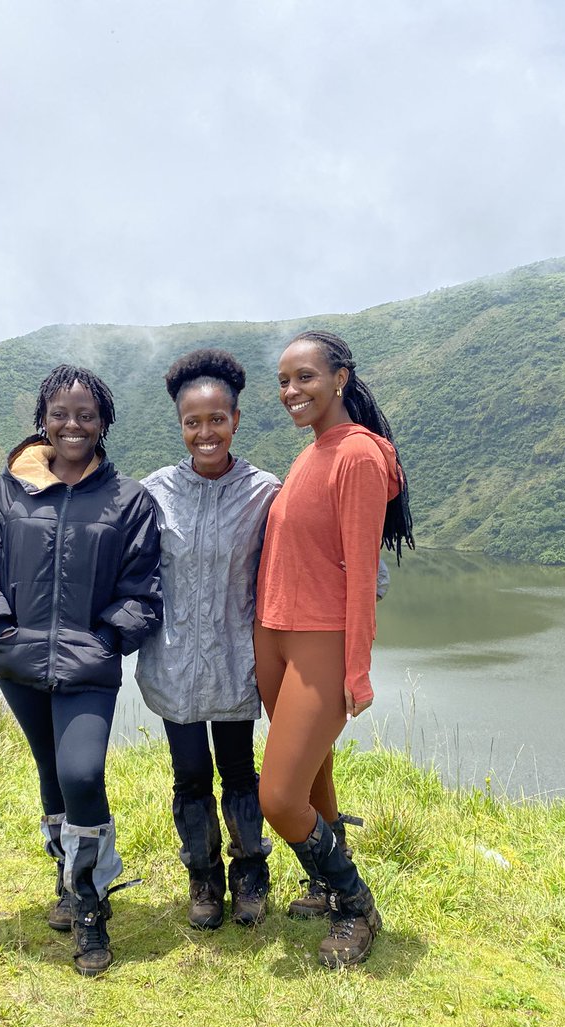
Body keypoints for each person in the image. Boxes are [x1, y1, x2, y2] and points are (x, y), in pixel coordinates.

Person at [0, 364, 162, 977]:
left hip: (87, 668)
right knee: (51, 774)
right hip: (18, 663)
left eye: (86, 415)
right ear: (43, 419)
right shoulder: (7, 492)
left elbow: (144, 586)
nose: (73, 424)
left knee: (81, 772)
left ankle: (92, 906)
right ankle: (68, 884)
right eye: (61, 413)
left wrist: (107, 638)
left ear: (104, 424)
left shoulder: (128, 501)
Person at [254, 330, 413, 969]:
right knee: (312, 774)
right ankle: (322, 882)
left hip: (320, 640)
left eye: (306, 378)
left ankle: (355, 902)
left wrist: (358, 670)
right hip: (275, 633)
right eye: (285, 382)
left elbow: (360, 575)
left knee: (279, 797)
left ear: (340, 378)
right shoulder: (312, 452)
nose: (293, 391)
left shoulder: (359, 457)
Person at [136, 350, 280, 929]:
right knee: (190, 775)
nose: (205, 432)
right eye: (193, 422)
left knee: (241, 771)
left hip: (235, 662)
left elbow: (305, 557)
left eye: (216, 419)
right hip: (173, 666)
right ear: (180, 425)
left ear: (236, 420)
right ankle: (203, 875)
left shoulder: (265, 492)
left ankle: (250, 872)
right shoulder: (154, 493)